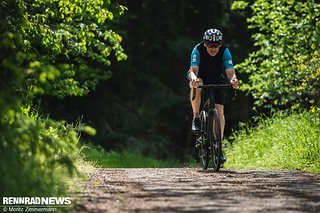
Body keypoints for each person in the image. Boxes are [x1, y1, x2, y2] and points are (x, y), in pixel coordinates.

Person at [188, 28, 239, 138]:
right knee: (197, 84)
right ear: (205, 44)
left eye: (216, 45)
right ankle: (196, 117)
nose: (213, 48)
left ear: (220, 45)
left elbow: (230, 72)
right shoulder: (197, 49)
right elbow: (194, 71)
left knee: (220, 112)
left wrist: (233, 80)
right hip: (200, 75)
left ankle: (219, 147)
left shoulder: (225, 51)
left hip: (216, 77)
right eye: (210, 45)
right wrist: (193, 79)